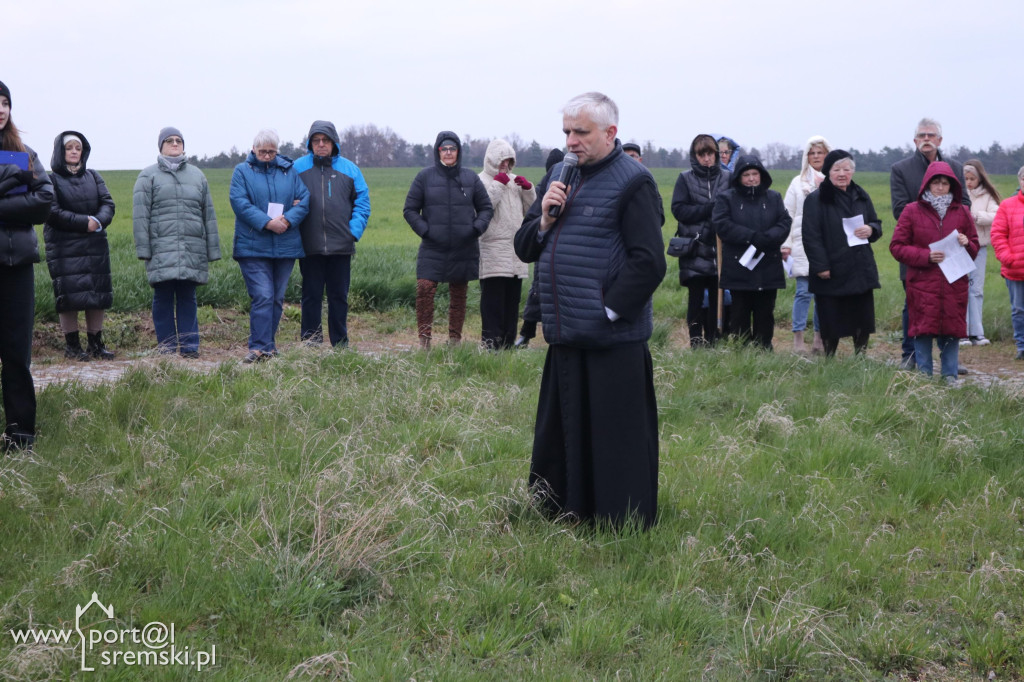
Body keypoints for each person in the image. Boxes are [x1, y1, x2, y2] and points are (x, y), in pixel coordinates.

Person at [514, 92, 666, 529]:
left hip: (611, 340)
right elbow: (524, 248)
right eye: (566, 131)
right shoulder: (559, 178)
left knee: (615, 439)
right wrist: (543, 219)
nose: (571, 141)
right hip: (565, 334)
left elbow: (648, 262)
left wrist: (609, 313)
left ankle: (621, 521)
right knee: (566, 432)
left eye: (580, 132)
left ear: (609, 133)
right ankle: (565, 509)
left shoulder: (633, 181)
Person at [889, 118, 970, 370]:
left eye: (931, 135)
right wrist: (929, 228)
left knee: (950, 307)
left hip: (952, 254)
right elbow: (899, 208)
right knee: (914, 305)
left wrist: (952, 233)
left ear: (939, 140)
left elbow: (964, 203)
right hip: (919, 250)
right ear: (915, 140)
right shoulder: (901, 169)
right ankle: (910, 355)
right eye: (922, 135)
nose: (927, 138)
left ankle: (950, 363)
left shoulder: (955, 167)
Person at [133, 127, 220, 358]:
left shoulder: (197, 176)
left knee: (188, 298)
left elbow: (208, 214)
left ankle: (190, 348)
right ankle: (167, 348)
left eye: (178, 141)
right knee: (162, 298)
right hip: (161, 250)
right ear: (160, 146)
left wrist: (212, 250)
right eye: (169, 141)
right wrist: (144, 249)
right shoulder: (147, 176)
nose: (174, 144)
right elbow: (141, 216)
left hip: (192, 249)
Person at [403, 131, 493, 350]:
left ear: (458, 152)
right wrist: (426, 231)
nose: (449, 152)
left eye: (453, 149)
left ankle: (454, 341)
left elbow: (486, 208)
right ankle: (424, 342)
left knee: (459, 295)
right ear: (438, 151)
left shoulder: (470, 177)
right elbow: (410, 210)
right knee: (424, 289)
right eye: (445, 149)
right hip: (433, 246)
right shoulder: (424, 177)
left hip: (464, 247)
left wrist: (475, 229)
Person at [0, 81, 53, 450]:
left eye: (5, 103)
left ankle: (20, 437)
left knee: (17, 354)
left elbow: (44, 200)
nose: (1, 110)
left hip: (16, 262)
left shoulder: (24, 154)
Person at [229, 129, 310, 363]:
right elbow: (240, 203)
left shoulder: (289, 172)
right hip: (253, 245)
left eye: (271, 152)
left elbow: (304, 200)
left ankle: (269, 347)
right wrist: (267, 223)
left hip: (285, 245)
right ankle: (257, 347)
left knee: (276, 298)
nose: (267, 156)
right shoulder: (242, 172)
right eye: (262, 151)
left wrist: (287, 219)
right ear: (254, 149)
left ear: (277, 151)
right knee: (263, 295)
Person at [293, 120, 370, 348]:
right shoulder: (297, 168)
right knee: (311, 295)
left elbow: (363, 203)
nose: (321, 144)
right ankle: (311, 342)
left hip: (341, 245)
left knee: (338, 297)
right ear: (310, 143)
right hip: (309, 244)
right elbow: (286, 196)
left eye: (325, 140)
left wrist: (353, 232)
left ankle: (340, 343)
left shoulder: (350, 169)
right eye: (316, 141)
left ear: (334, 142)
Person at [801, 150, 882, 356]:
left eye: (846, 169)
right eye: (836, 169)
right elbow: (811, 235)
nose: (842, 174)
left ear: (852, 172)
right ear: (828, 172)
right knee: (831, 318)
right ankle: (829, 359)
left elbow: (876, 223)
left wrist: (871, 229)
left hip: (859, 267)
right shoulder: (817, 199)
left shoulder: (861, 195)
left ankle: (860, 357)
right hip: (831, 269)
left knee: (862, 317)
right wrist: (821, 266)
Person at [45, 131, 116, 361]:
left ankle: (96, 344)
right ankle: (72, 347)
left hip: (94, 243)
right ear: (60, 152)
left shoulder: (94, 176)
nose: (75, 151)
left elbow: (107, 203)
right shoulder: (51, 180)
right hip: (64, 246)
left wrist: (97, 221)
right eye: (69, 148)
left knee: (97, 292)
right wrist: (84, 222)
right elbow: (52, 212)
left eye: (78, 147)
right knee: (69, 296)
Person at [712, 155, 792, 349]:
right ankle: (741, 351)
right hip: (740, 266)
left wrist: (768, 237)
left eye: (755, 173)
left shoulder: (773, 197)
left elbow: (784, 222)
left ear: (761, 175)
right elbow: (722, 224)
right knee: (740, 312)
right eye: (746, 175)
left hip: (768, 265)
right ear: (738, 177)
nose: (751, 178)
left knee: (765, 311)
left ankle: (764, 349)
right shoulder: (726, 198)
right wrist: (750, 236)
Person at [671, 133, 730, 347]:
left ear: (716, 155)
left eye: (710, 154)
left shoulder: (727, 178)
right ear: (694, 156)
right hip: (695, 248)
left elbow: (730, 209)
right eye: (701, 154)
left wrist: (719, 222)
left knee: (717, 298)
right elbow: (679, 209)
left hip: (719, 251)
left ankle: (713, 341)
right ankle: (696, 342)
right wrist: (707, 210)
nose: (706, 159)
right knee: (696, 299)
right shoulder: (684, 178)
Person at [477, 138, 535, 349]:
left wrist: (528, 190)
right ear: (491, 161)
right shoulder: (481, 181)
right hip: (493, 250)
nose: (505, 166)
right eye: (501, 161)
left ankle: (508, 346)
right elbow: (483, 209)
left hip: (516, 252)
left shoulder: (514, 181)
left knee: (512, 302)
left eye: (508, 161)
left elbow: (531, 213)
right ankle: (491, 345)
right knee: (493, 303)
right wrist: (498, 185)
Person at [782, 135, 832, 353]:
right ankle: (798, 339)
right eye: (812, 153)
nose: (816, 156)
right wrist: (786, 244)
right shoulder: (797, 182)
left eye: (820, 152)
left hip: (827, 245)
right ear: (806, 156)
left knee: (823, 294)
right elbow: (787, 214)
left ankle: (819, 340)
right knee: (803, 292)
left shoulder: (835, 179)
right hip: (801, 244)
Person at [514, 148, 564, 348]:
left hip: (562, 247)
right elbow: (532, 217)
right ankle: (526, 333)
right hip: (544, 245)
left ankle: (531, 335)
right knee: (537, 291)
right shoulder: (545, 186)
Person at [961, 159, 1001, 346]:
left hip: (979, 247)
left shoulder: (987, 196)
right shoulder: (960, 194)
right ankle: (962, 331)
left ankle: (977, 331)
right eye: (966, 178)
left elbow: (996, 215)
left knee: (976, 289)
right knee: (960, 287)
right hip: (960, 247)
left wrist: (976, 216)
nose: (968, 182)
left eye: (972, 178)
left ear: (980, 178)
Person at [990, 166, 1024, 361]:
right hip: (1015, 268)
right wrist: (1007, 258)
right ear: (1019, 180)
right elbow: (998, 234)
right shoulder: (1007, 206)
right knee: (1019, 309)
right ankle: (1021, 345)